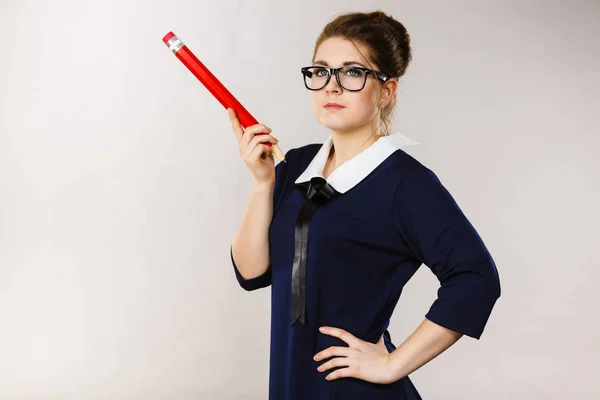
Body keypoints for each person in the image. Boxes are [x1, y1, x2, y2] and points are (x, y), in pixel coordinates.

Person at [227, 10, 501, 400]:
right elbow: (251, 272)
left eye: (352, 73)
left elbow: (476, 279)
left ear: (387, 91)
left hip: (356, 391)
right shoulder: (296, 165)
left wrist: (392, 363)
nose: (330, 87)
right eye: (320, 71)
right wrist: (262, 184)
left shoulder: (405, 183)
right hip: (292, 384)